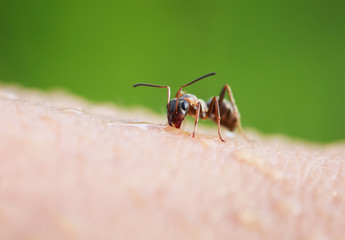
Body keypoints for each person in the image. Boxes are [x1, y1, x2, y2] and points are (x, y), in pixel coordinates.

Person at [0, 85, 344, 239]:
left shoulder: (202, 108)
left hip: (223, 117)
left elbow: (200, 112)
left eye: (178, 110)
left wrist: (220, 133)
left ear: (188, 108)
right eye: (176, 110)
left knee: (221, 92)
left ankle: (232, 127)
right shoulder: (180, 103)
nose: (176, 114)